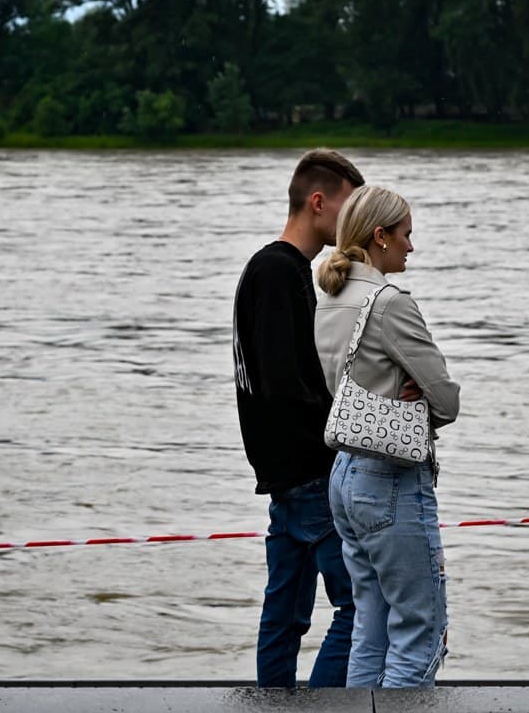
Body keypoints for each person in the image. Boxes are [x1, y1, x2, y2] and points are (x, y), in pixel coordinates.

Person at [314, 185, 460, 688]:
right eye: (406, 235)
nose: (411, 247)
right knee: (421, 631)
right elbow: (448, 402)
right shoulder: (389, 303)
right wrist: (418, 404)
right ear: (380, 236)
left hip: (344, 476)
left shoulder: (330, 297)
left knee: (369, 630)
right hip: (391, 478)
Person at [232, 148, 365, 689]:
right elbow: (287, 384)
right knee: (360, 606)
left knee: (284, 614)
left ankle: (275, 703)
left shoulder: (271, 270)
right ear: (318, 202)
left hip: (281, 475)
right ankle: (318, 707)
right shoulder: (281, 272)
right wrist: (351, 423)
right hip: (308, 472)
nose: (353, 221)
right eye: (348, 206)